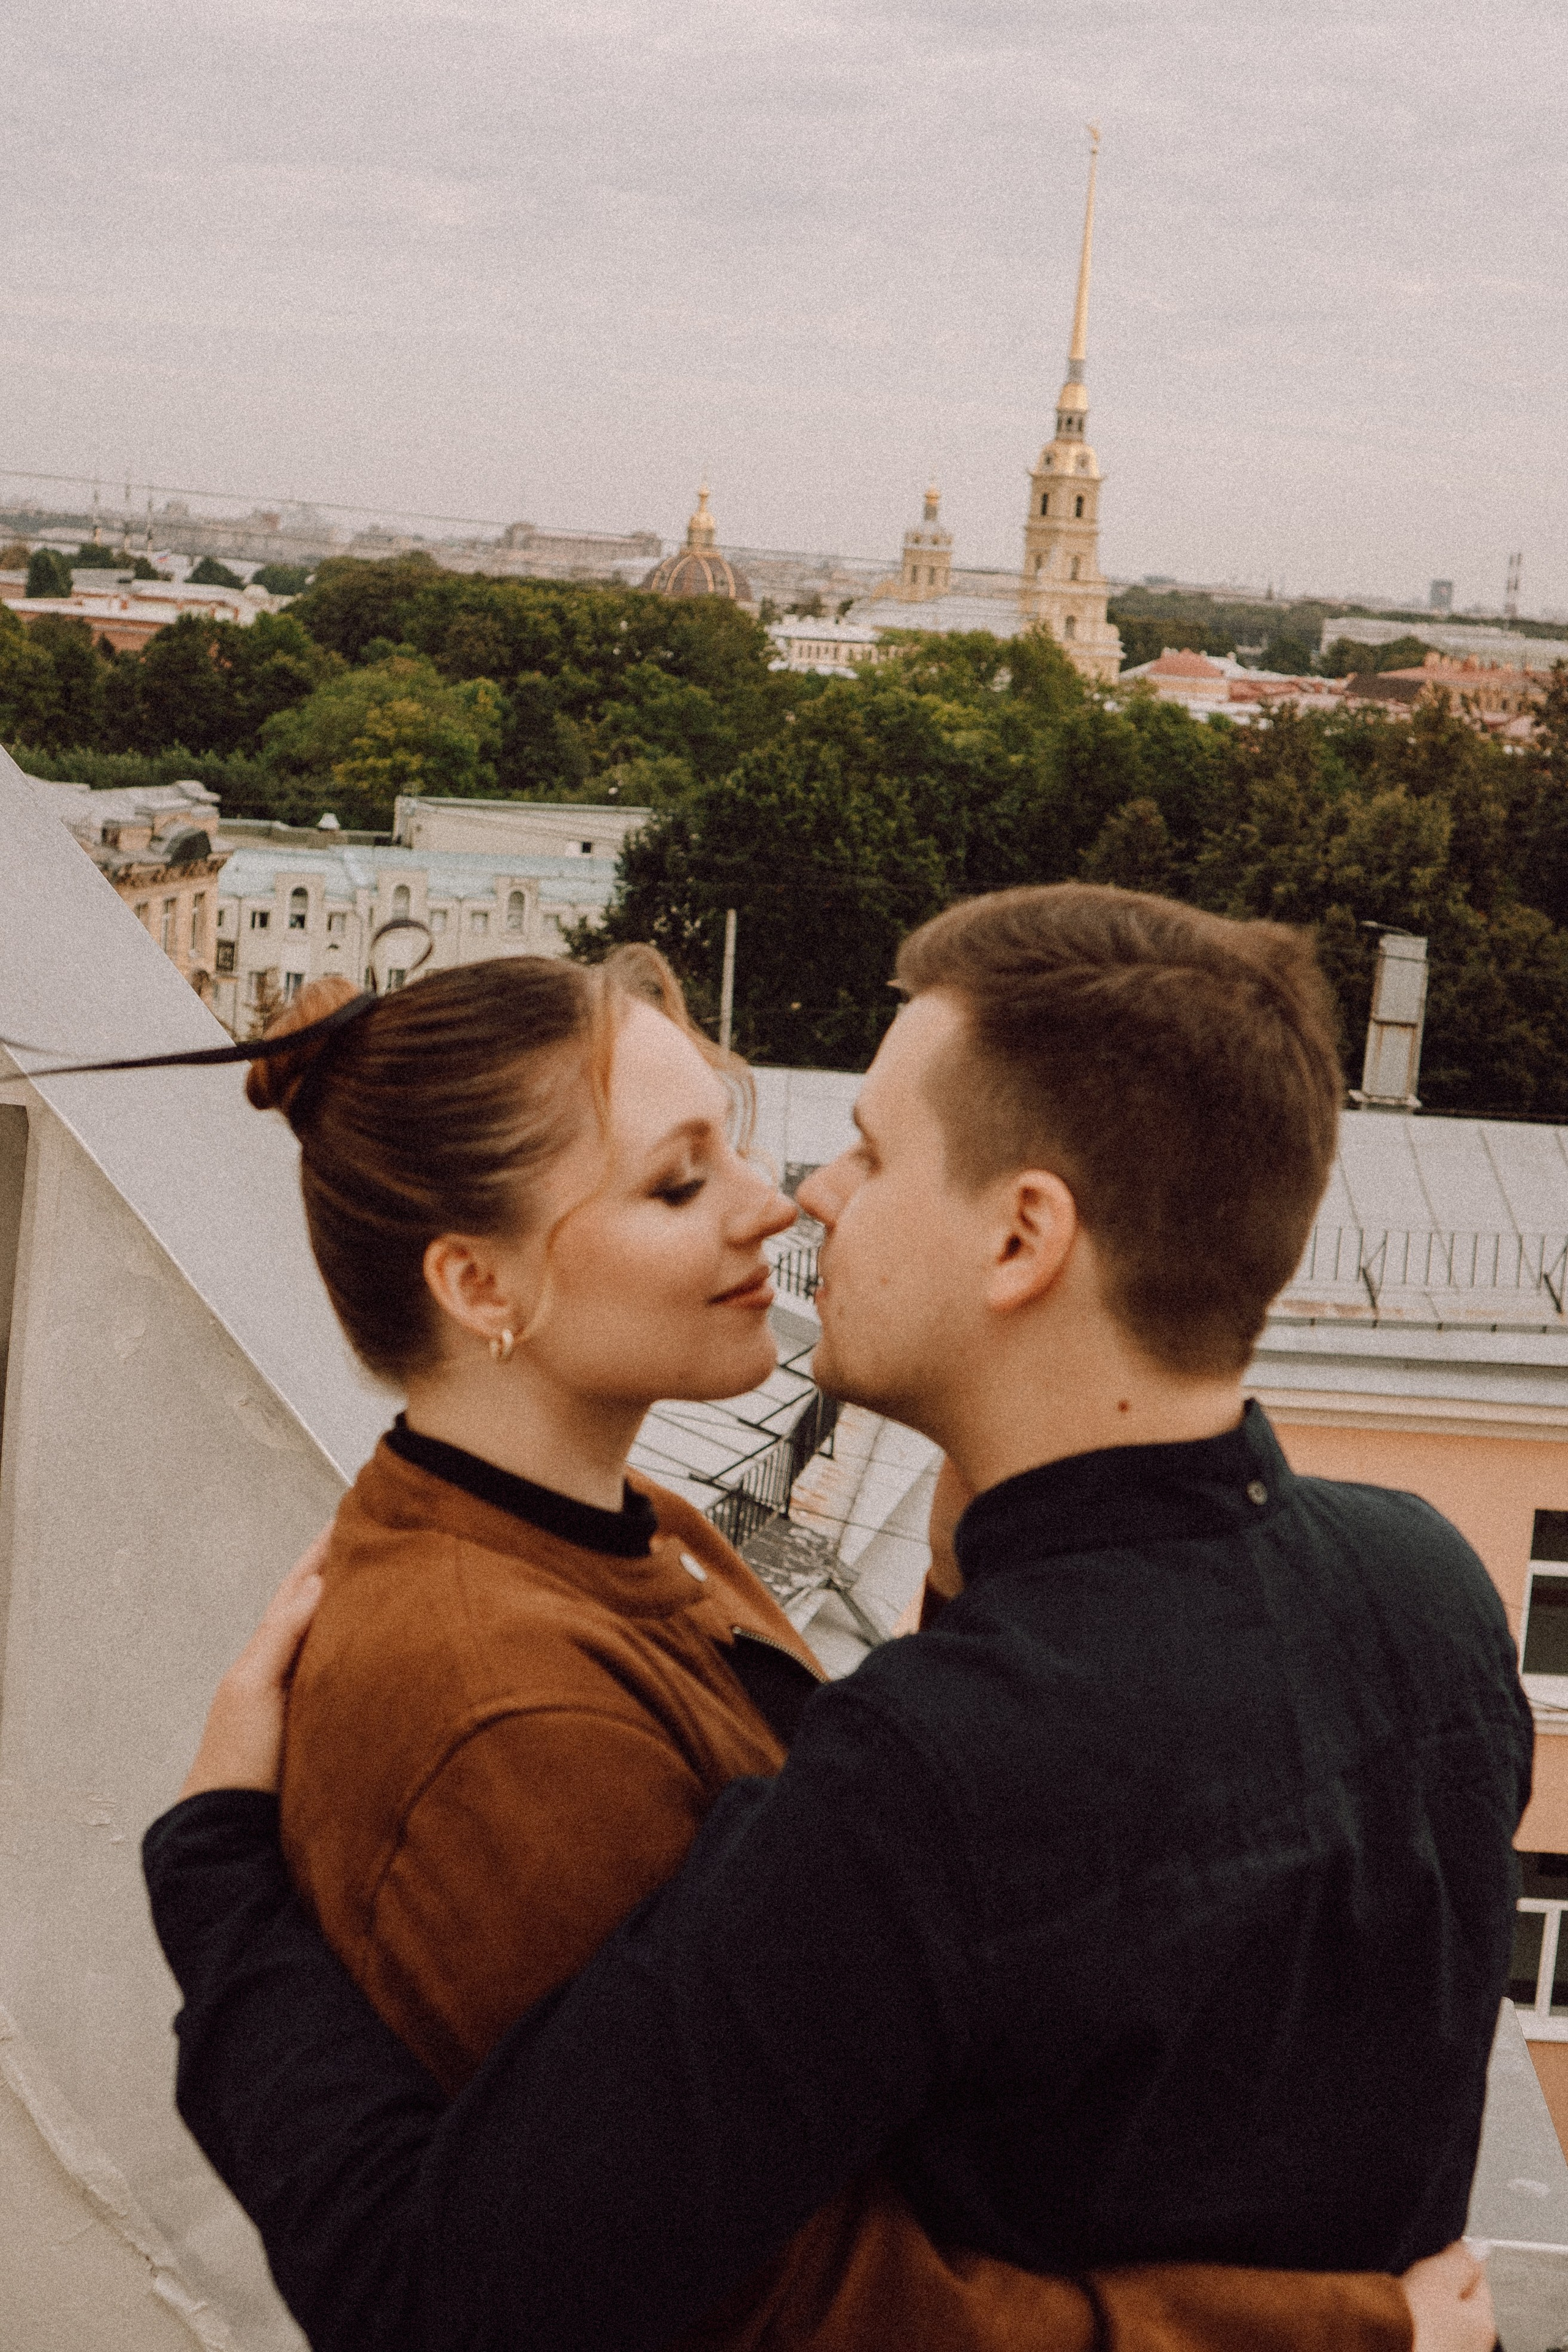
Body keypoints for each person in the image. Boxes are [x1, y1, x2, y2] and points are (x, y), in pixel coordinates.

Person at [143, 886, 1528, 2352]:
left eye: (866, 1151)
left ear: (1021, 1240)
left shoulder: (903, 1749)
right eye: (684, 1180)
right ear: (473, 1281)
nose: (799, 1194)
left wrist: (214, 1875)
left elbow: (466, 2290)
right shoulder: (1426, 1580)